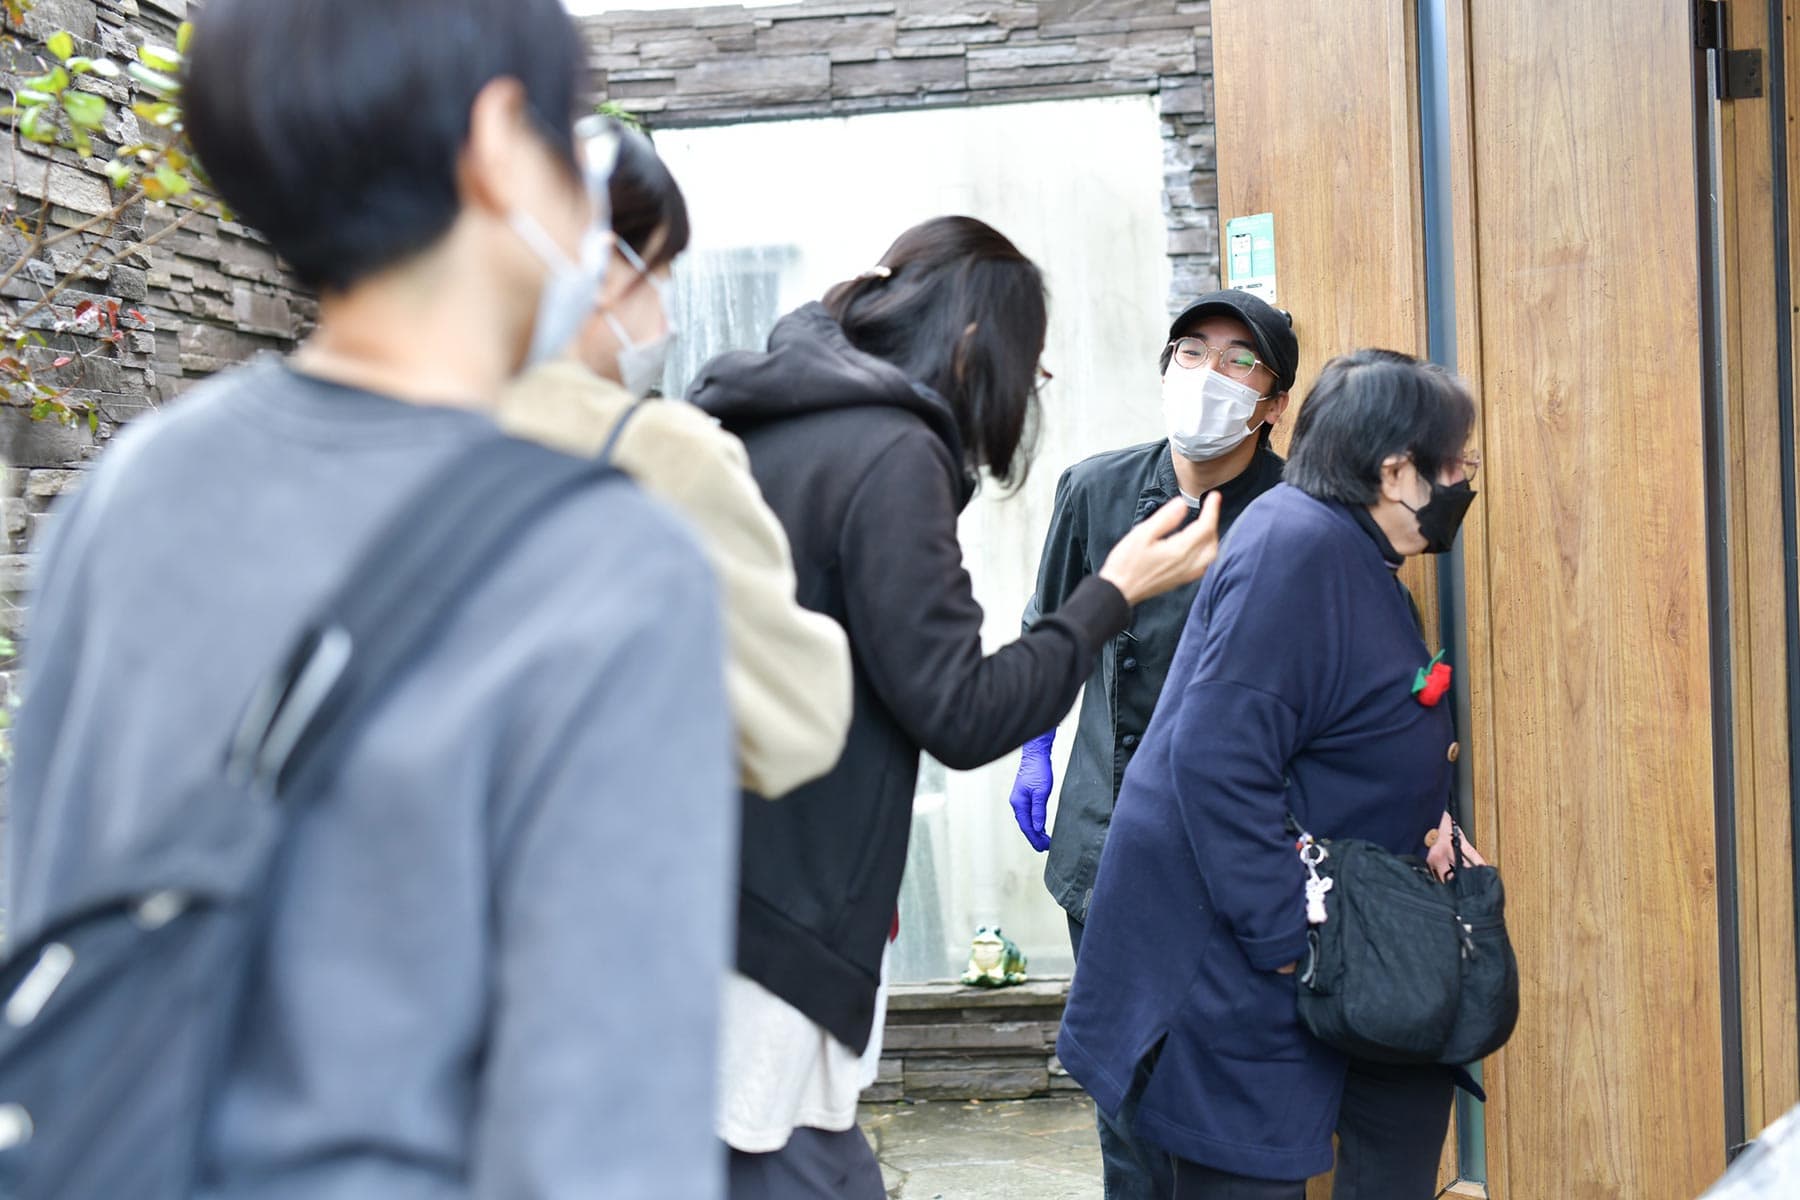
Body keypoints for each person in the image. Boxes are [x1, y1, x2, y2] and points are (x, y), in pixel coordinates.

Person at [6, 2, 737, 1196]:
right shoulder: (604, 563)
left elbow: (48, 925)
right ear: (498, 143)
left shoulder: (127, 495)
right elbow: (605, 1139)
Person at [686, 215, 1223, 1199]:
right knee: (785, 1161)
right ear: (973, 342)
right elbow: (960, 710)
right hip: (782, 914)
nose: (1026, 393)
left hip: (709, 874)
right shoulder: (892, 452)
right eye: (1029, 367)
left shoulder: (764, 417)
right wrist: (1114, 591)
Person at [1057, 349, 1487, 1199]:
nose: (1462, 481)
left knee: (1402, 1121)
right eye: (1455, 463)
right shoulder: (1298, 548)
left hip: (1350, 941)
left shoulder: (1347, 550)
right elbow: (1216, 761)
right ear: (1394, 471)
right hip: (1251, 961)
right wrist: (1288, 938)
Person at [1008, 288, 1296, 1199]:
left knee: (1232, 1098)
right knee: (1125, 1093)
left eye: (1239, 360)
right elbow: (1051, 632)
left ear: (1273, 403)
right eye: (1190, 351)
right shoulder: (1096, 490)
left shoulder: (1300, 511)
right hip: (1109, 836)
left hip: (1241, 851)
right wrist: (1034, 749)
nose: (1208, 374)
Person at [497, 120, 853, 801]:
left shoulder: (397, 423)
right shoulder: (660, 454)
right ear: (606, 269)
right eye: (659, 277)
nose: (665, 318)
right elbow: (797, 725)